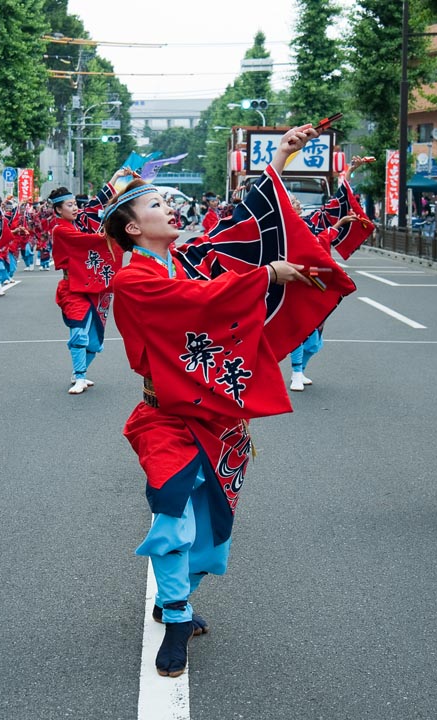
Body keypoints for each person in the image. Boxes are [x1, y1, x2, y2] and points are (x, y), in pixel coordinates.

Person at [108, 124, 356, 677]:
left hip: (219, 419)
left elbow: (246, 224)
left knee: (212, 536)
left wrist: (282, 156)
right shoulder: (135, 280)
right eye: (157, 203)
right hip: (165, 418)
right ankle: (175, 616)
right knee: (174, 522)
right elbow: (195, 299)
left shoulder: (187, 256)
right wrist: (267, 273)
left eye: (171, 201)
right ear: (131, 226)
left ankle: (177, 592)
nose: (172, 208)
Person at [49, 167, 128, 394]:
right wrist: (117, 235)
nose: (75, 208)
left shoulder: (79, 220)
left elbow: (98, 200)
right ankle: (80, 376)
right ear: (58, 210)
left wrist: (116, 177)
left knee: (95, 342)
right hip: (73, 287)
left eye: (75, 204)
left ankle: (78, 371)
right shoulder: (60, 229)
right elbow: (89, 241)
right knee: (79, 332)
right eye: (69, 205)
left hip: (94, 287)